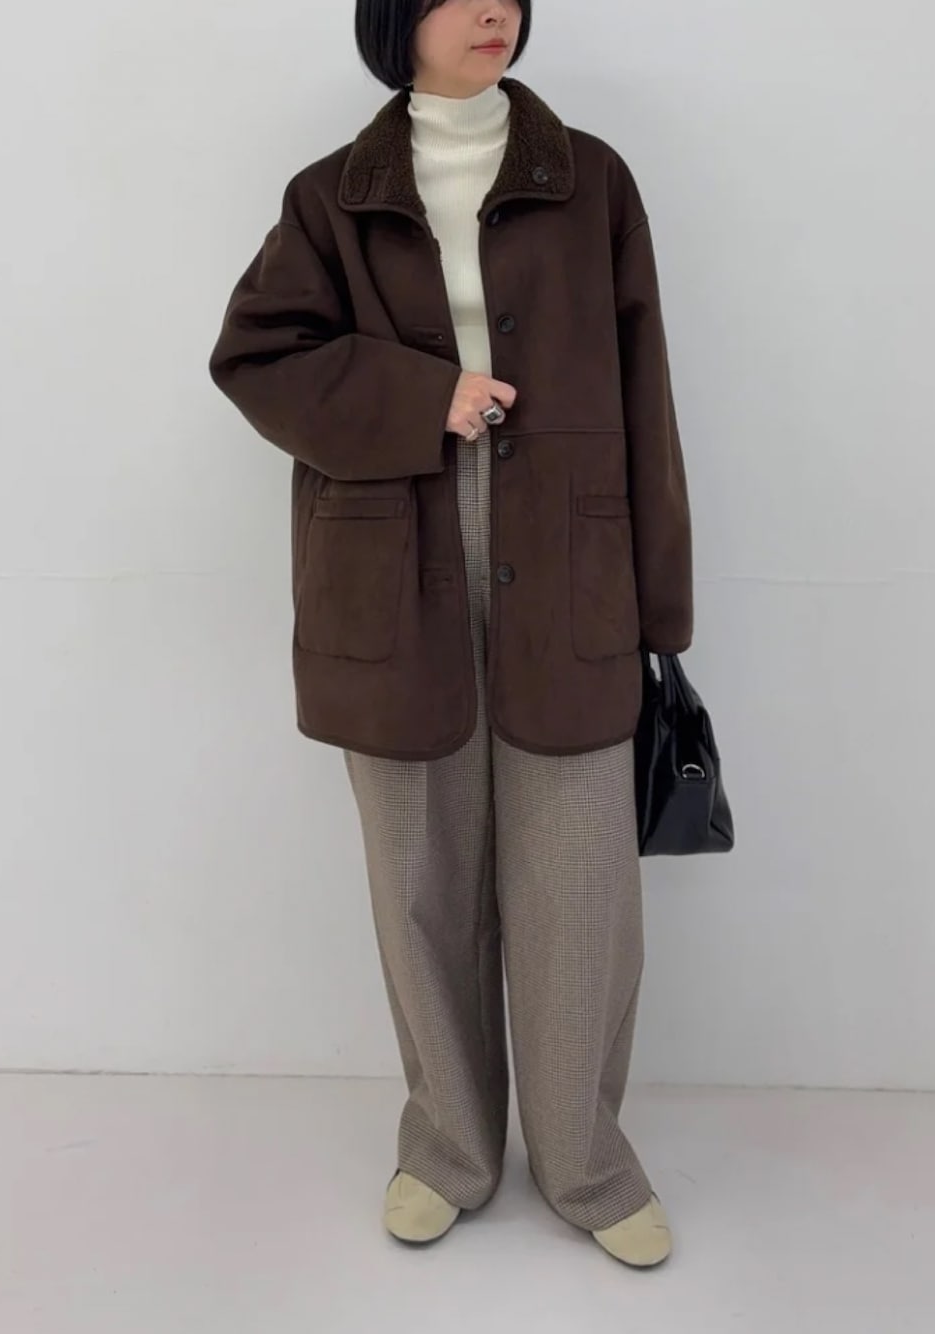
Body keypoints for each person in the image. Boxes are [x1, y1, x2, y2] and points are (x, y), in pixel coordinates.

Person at [208, 0, 693, 1269]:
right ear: (395, 17)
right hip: (391, 547)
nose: (492, 11)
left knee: (579, 880)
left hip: (570, 550)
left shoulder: (592, 182)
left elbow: (643, 385)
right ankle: (445, 1150)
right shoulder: (333, 195)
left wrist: (661, 606)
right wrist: (426, 396)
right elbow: (256, 355)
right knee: (419, 872)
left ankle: (586, 1160)